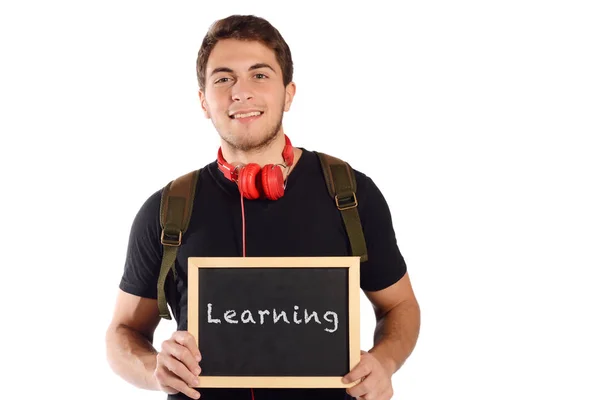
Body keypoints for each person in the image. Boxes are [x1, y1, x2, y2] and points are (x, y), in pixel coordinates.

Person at [105, 14, 421, 400]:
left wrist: (384, 363)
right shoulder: (167, 209)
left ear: (288, 93)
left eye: (259, 74)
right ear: (204, 101)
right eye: (223, 79)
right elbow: (123, 333)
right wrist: (153, 369)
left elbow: (400, 306)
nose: (241, 92)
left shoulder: (350, 195)